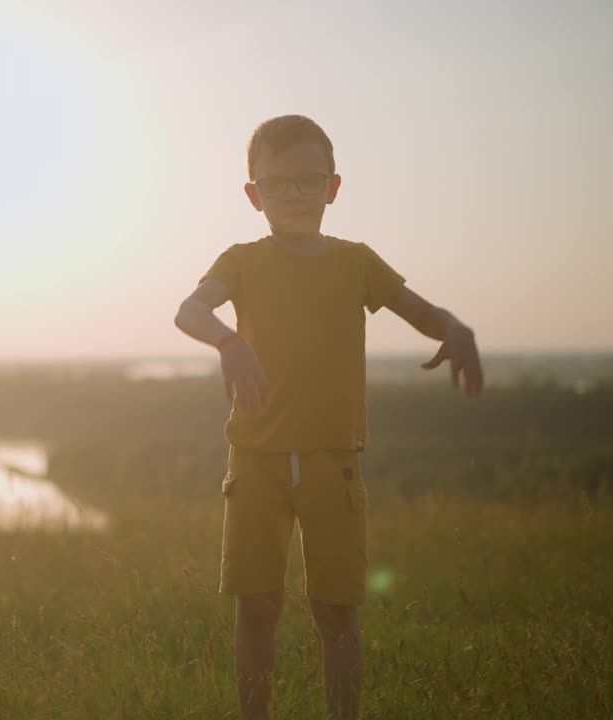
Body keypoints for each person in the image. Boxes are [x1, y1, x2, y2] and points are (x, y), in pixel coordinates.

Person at [173, 115, 483, 719]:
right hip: (255, 461)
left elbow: (418, 311)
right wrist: (228, 343)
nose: (293, 193)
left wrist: (455, 328)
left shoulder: (356, 262)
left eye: (308, 181)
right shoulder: (240, 260)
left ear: (333, 187)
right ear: (253, 194)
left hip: (333, 462)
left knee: (337, 614)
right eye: (277, 183)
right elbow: (189, 309)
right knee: (256, 608)